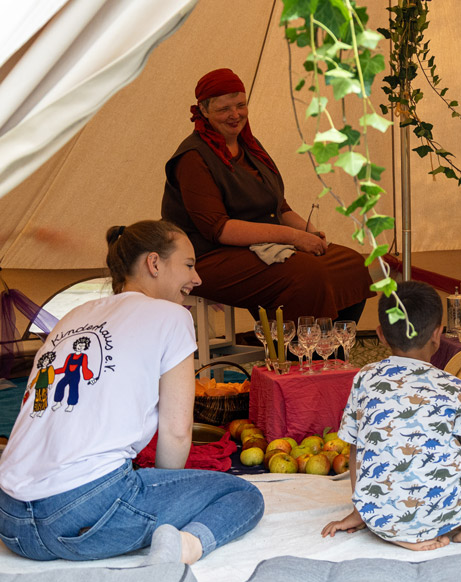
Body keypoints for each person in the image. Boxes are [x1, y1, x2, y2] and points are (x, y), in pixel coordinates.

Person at [0, 220, 265, 564]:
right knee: (242, 495)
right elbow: (176, 430)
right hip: (79, 513)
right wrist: (169, 497)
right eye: (188, 264)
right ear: (154, 263)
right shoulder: (171, 316)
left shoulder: (72, 317)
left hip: (11, 520)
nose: (197, 278)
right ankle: (182, 547)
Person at [161, 68, 373, 322]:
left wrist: (310, 233)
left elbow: (279, 207)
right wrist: (294, 238)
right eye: (224, 109)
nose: (235, 115)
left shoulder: (250, 146)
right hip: (207, 258)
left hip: (259, 248)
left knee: (350, 264)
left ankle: (333, 351)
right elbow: (220, 230)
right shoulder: (193, 158)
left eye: (241, 105)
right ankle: (297, 356)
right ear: (203, 111)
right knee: (304, 272)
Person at [322, 280, 461, 550]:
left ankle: (397, 532)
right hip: (446, 516)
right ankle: (458, 525)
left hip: (379, 518)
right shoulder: (454, 386)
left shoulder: (364, 378)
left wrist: (361, 513)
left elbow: (356, 449)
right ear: (438, 334)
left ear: (380, 334)